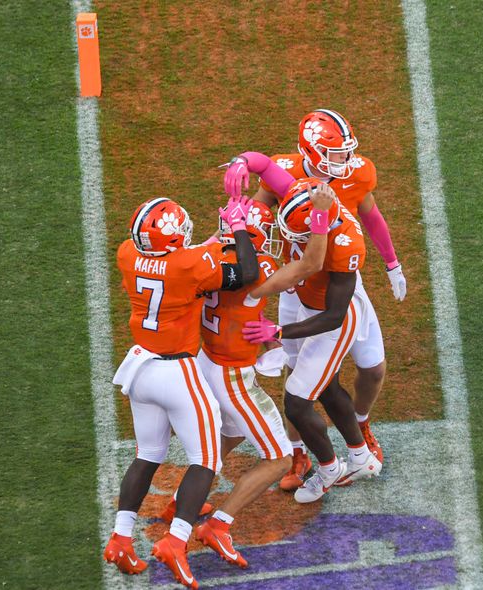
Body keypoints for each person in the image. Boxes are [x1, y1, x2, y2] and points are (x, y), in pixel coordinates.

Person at [227, 109, 401, 490]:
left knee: (371, 368)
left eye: (345, 152)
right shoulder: (288, 175)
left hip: (335, 282)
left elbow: (316, 260)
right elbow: (261, 200)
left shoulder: (345, 226)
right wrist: (243, 202)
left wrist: (391, 262)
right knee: (301, 378)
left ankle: (358, 431)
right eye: (337, 153)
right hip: (298, 285)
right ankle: (300, 449)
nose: (346, 160)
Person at [104, 195, 258, 588]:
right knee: (207, 460)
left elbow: (183, 258)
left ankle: (121, 538)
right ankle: (176, 541)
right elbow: (247, 271)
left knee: (148, 454)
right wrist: (238, 228)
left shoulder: (127, 253)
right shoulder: (188, 264)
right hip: (176, 371)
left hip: (140, 365)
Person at [191, 191, 334, 567]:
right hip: (231, 373)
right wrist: (319, 215)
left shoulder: (205, 259)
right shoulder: (258, 272)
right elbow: (311, 263)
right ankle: (219, 525)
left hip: (207, 359)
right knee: (278, 458)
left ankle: (183, 501)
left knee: (233, 431)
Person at [242, 177, 384, 503]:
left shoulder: (346, 243)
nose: (289, 240)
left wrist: (279, 333)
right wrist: (246, 162)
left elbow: (334, 315)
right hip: (308, 304)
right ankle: (360, 457)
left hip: (336, 319)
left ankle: (329, 467)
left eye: (297, 234)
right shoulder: (308, 198)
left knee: (296, 400)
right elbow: (271, 172)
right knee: (327, 385)